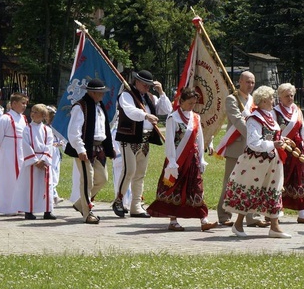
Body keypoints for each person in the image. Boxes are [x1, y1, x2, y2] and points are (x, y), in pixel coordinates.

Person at [223, 86, 290, 238]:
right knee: (250, 191)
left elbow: (270, 137)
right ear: (264, 100)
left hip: (272, 162)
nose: (274, 100)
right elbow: (253, 142)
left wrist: (280, 141)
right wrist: (274, 144)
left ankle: (274, 226)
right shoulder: (255, 118)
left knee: (274, 191)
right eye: (271, 98)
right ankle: (238, 224)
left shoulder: (269, 116)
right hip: (256, 162)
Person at [147, 88, 218, 232]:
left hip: (192, 160)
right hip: (177, 160)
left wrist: (201, 159)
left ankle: (204, 219)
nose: (192, 106)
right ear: (181, 101)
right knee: (175, 188)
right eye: (189, 103)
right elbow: (170, 142)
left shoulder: (196, 118)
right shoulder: (173, 118)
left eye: (194, 103)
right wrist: (172, 161)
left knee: (196, 187)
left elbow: (200, 139)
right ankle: (173, 220)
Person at [112, 70, 172, 218]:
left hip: (144, 140)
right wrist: (145, 115)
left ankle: (136, 205)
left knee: (140, 174)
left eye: (149, 85)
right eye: (145, 84)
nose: (147, 87)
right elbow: (130, 111)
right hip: (129, 138)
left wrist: (162, 93)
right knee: (129, 171)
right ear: (136, 82)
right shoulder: (127, 95)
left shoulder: (150, 97)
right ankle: (118, 200)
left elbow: (167, 109)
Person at [215, 71, 268, 228]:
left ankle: (252, 216)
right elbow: (237, 120)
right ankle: (224, 214)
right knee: (230, 182)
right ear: (239, 82)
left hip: (253, 148)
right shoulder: (232, 99)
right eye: (247, 82)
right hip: (237, 146)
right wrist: (254, 135)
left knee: (253, 182)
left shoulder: (255, 101)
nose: (250, 85)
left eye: (252, 82)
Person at [65, 78, 115, 224]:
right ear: (93, 92)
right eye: (100, 93)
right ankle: (87, 213)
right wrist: (80, 149)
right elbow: (74, 131)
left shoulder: (99, 107)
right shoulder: (80, 107)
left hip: (99, 148)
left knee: (102, 178)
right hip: (85, 148)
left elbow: (104, 129)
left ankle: (81, 204)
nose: (103, 95)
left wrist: (109, 148)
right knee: (87, 181)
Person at [274, 83, 304, 224]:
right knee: (281, 179)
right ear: (280, 96)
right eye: (287, 96)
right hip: (283, 150)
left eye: (292, 95)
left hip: (298, 150)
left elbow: (302, 128)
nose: (290, 98)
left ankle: (302, 214)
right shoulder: (275, 111)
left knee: (301, 178)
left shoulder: (297, 110)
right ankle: (276, 212)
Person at [13, 104, 56, 220]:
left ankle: (47, 210)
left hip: (44, 162)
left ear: (43, 115)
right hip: (32, 162)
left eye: (36, 112)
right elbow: (25, 145)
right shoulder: (27, 129)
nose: (33, 114)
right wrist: (35, 161)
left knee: (46, 186)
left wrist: (44, 160)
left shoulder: (47, 130)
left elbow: (49, 145)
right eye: (32, 111)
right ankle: (29, 210)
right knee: (30, 186)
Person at [0, 92, 28, 215]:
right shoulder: (5, 118)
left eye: (26, 103)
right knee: (8, 178)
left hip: (21, 151)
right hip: (8, 151)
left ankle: (20, 205)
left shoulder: (23, 118)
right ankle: (7, 207)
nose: (24, 106)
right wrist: (1, 148)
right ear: (14, 104)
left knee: (21, 178)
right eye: (22, 103)